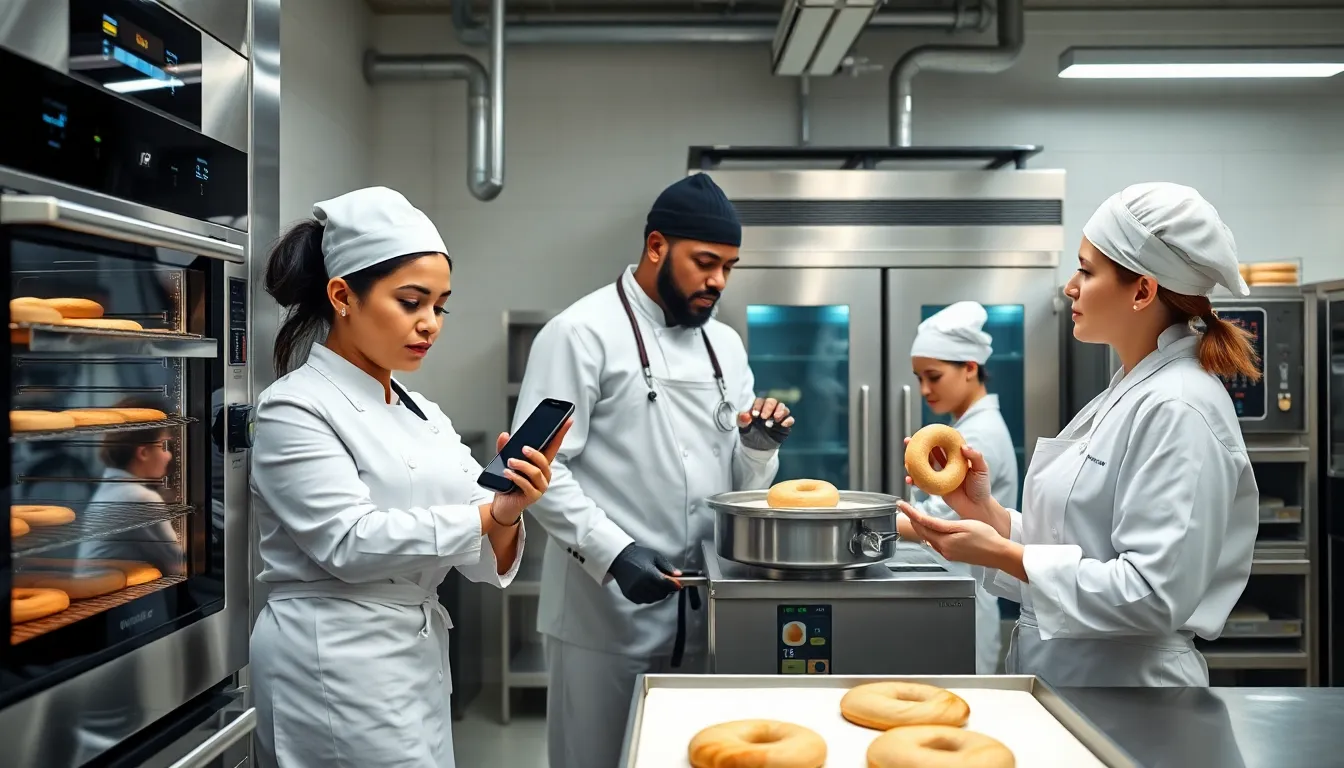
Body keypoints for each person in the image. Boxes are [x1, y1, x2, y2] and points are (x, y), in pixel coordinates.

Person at [248, 187, 567, 768]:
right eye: (411, 302)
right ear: (342, 296)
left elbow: (482, 554)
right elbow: (347, 543)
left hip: (412, 659)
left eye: (440, 307)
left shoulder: (421, 410)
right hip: (333, 661)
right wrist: (484, 515)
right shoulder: (294, 407)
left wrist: (508, 508)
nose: (430, 324)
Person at [900, 181, 1259, 687]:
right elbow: (1078, 547)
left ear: (1142, 291)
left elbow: (1151, 594)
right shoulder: (1130, 392)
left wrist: (1003, 553)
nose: (1071, 286)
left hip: (1135, 699)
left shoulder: (1179, 406)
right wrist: (988, 515)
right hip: (1082, 685)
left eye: (1086, 271)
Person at [513, 173, 796, 768]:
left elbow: (739, 489)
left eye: (729, 267)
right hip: (603, 617)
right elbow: (538, 470)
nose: (718, 281)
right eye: (705, 263)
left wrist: (758, 449)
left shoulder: (725, 345)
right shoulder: (578, 334)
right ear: (657, 246)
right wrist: (613, 553)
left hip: (703, 607)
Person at [895, 301, 1017, 674]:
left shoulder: (977, 436)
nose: (924, 389)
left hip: (964, 598)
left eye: (933, 376)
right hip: (951, 594)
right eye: (919, 378)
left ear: (969, 368)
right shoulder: (963, 428)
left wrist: (858, 519)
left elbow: (938, 524)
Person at [76, 397, 184, 575]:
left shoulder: (114, 488)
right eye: (164, 446)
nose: (169, 456)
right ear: (143, 453)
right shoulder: (139, 498)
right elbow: (180, 564)